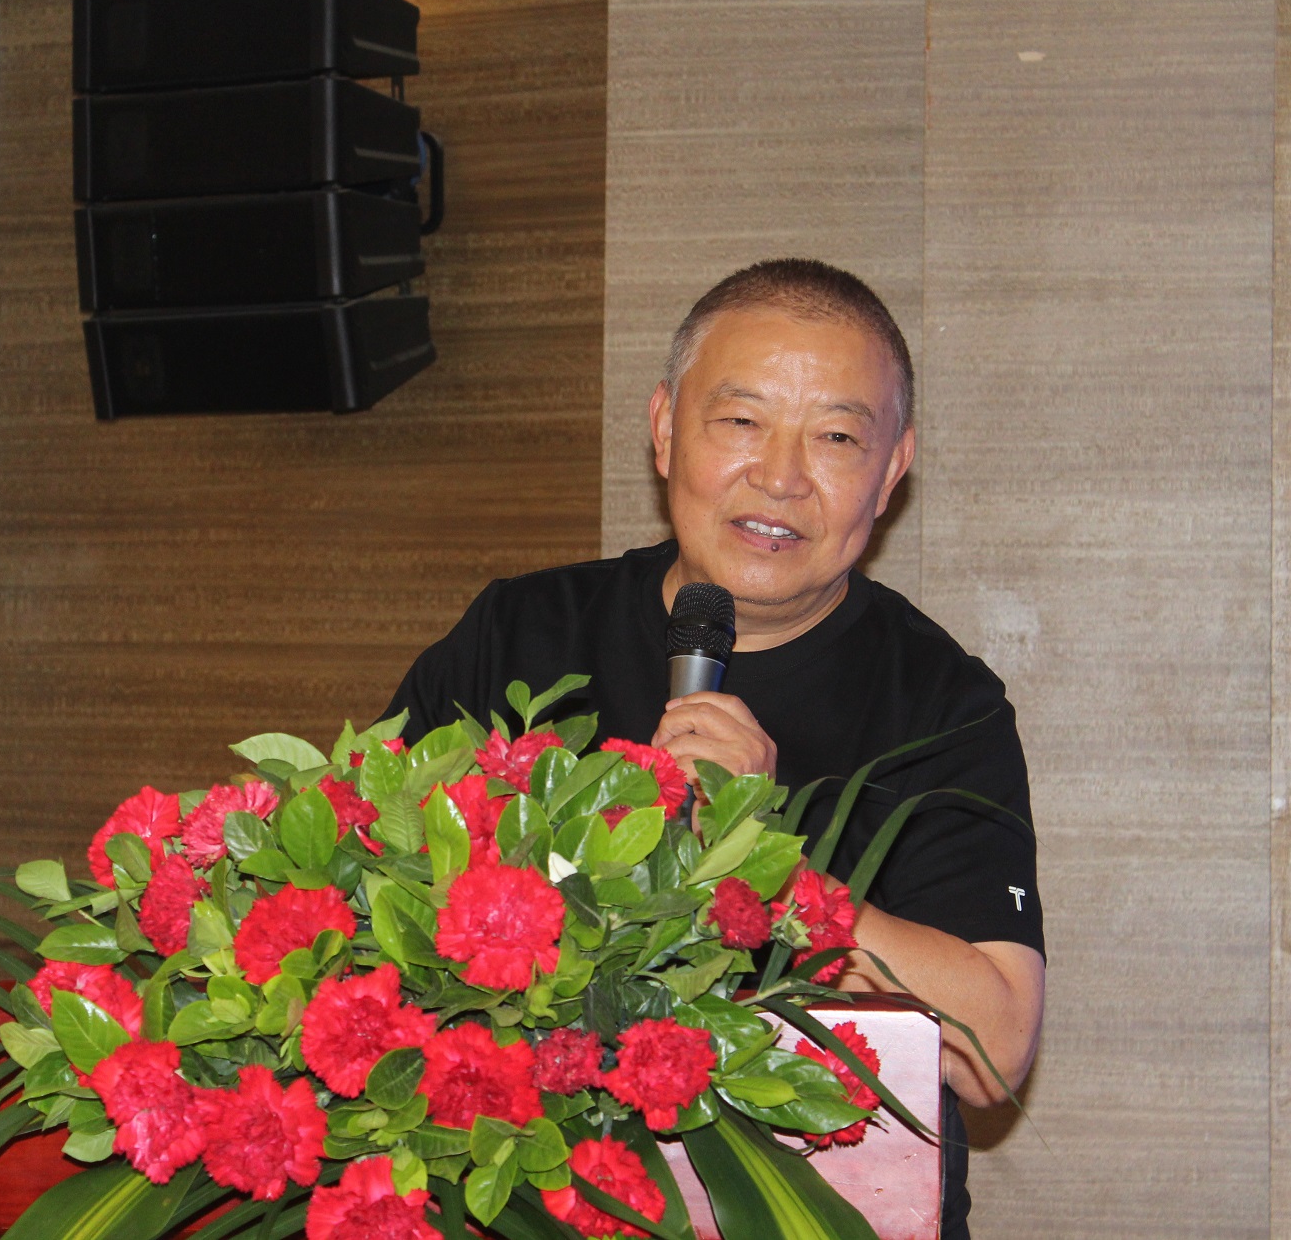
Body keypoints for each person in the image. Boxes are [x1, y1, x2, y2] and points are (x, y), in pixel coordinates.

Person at [386, 258, 1045, 1237]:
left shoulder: (940, 703)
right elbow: (359, 911)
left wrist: (764, 863)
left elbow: (994, 1048)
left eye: (834, 437)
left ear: (891, 470)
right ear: (663, 430)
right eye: (740, 421)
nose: (780, 476)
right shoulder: (516, 638)